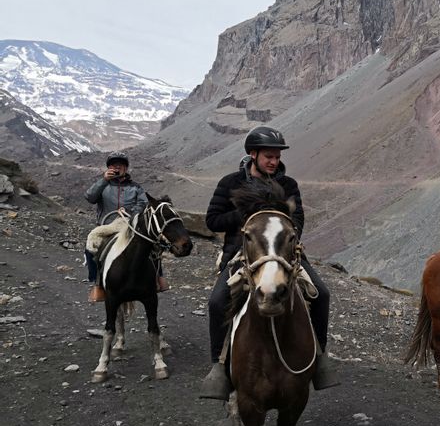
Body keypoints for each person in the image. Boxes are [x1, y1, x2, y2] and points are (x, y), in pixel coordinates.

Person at [199, 126, 340, 399]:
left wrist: (282, 231)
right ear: (253, 154)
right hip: (242, 253)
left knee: (321, 294)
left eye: (276, 156)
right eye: (268, 156)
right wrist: (247, 217)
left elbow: (297, 221)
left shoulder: (288, 186)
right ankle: (218, 366)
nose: (274, 161)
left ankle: (319, 359)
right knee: (217, 302)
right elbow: (212, 220)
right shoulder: (230, 184)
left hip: (283, 252)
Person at [85, 152, 169, 302]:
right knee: (90, 246)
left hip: (131, 226)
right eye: (113, 164)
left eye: (121, 164)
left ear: (126, 168)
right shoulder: (103, 185)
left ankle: (158, 278)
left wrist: (130, 212)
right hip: (108, 226)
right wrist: (103, 180)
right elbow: (90, 197)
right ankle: (96, 283)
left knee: (153, 246)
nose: (117, 167)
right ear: (108, 168)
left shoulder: (135, 187)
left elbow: (143, 203)